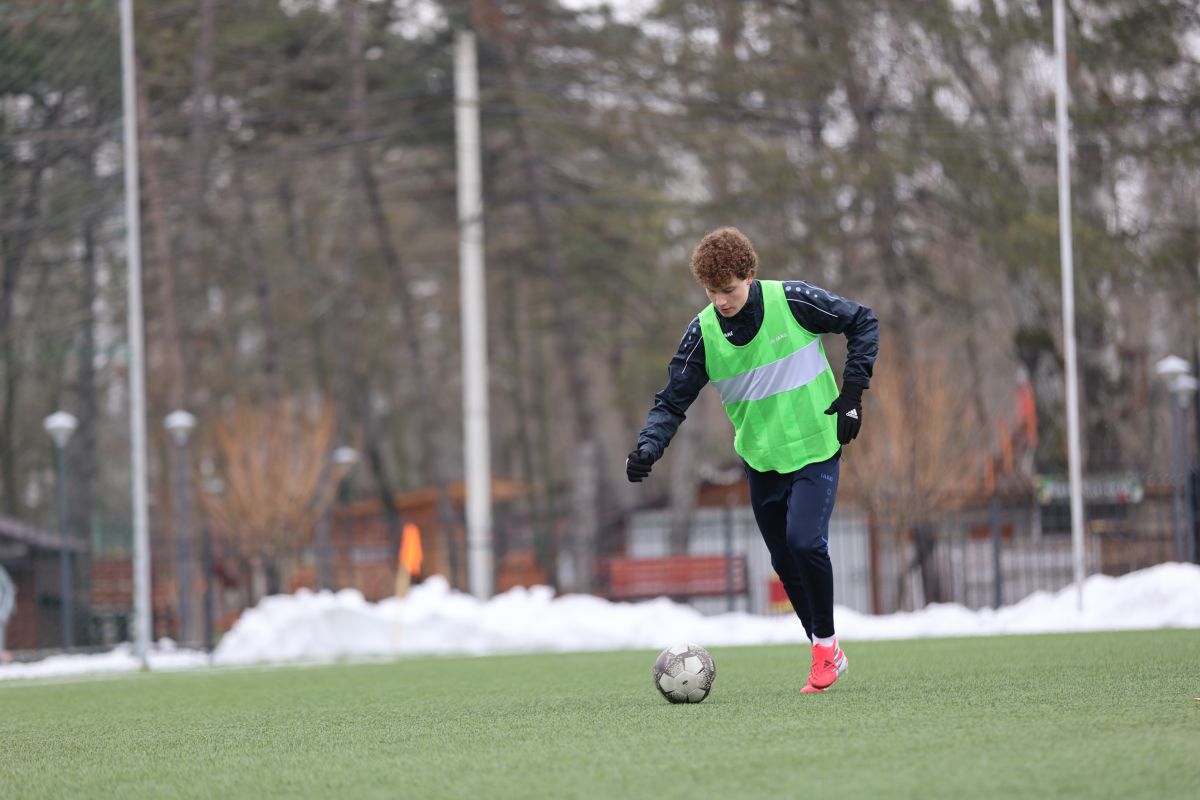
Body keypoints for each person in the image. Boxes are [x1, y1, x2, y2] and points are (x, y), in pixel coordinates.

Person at [627, 227, 878, 694]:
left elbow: (863, 321)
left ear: (749, 275)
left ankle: (825, 650)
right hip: (761, 460)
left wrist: (852, 395)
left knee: (805, 542)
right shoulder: (702, 334)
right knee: (784, 559)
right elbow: (671, 401)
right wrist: (649, 447)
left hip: (815, 445)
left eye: (729, 289)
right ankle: (826, 648)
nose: (720, 300)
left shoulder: (794, 301)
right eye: (711, 291)